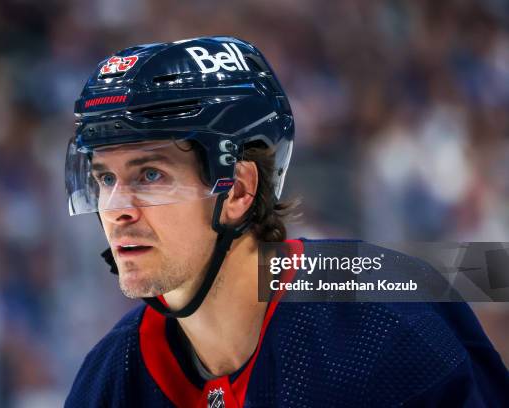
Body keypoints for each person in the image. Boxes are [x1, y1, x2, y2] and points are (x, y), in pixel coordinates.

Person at [64, 36, 508, 407]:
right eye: (105, 177)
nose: (116, 207)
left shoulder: (379, 329)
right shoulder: (113, 375)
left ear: (237, 190)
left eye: (150, 175)